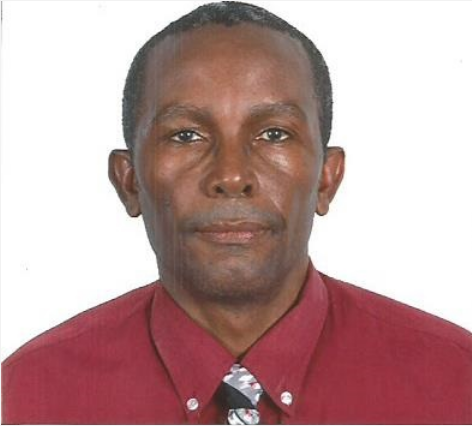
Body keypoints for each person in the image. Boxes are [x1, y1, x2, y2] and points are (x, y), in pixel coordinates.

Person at [2, 1, 471, 424]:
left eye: (274, 134)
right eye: (186, 135)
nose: (231, 175)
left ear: (327, 178)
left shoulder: (458, 382)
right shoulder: (24, 396)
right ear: (129, 182)